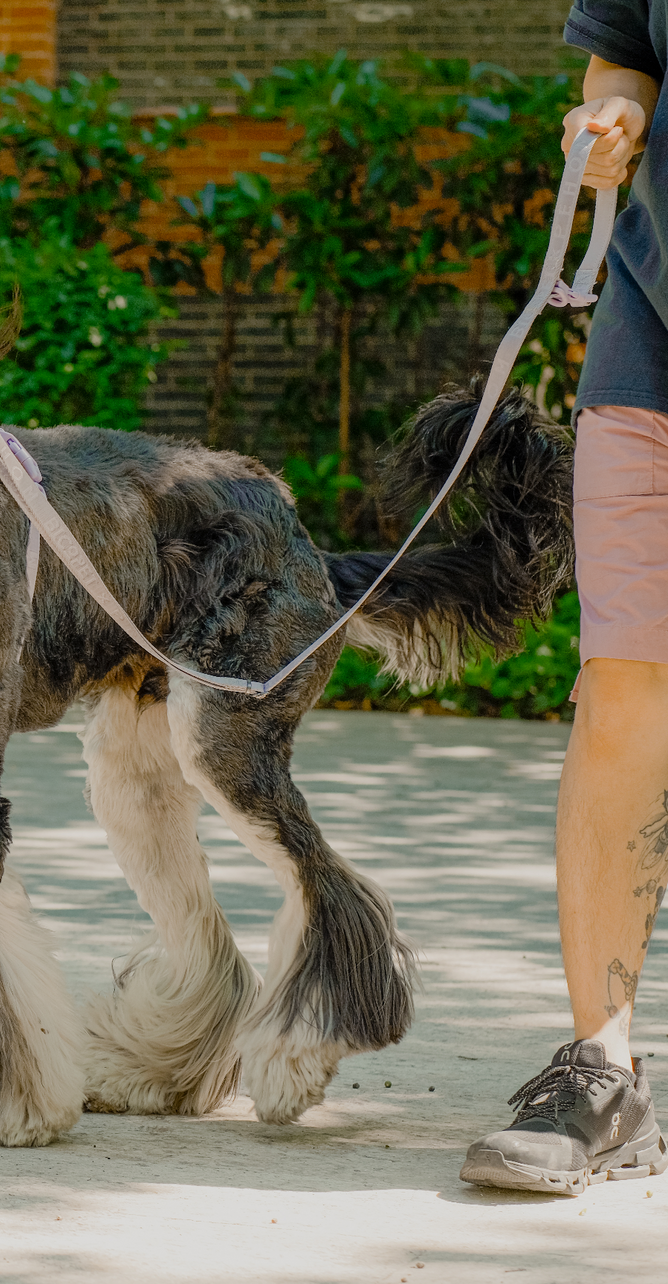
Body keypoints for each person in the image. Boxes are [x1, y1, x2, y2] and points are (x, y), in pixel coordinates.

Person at [461, 1, 668, 1193]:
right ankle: (601, 1070)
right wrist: (612, 120)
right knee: (622, 686)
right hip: (647, 348)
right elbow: (624, 59)